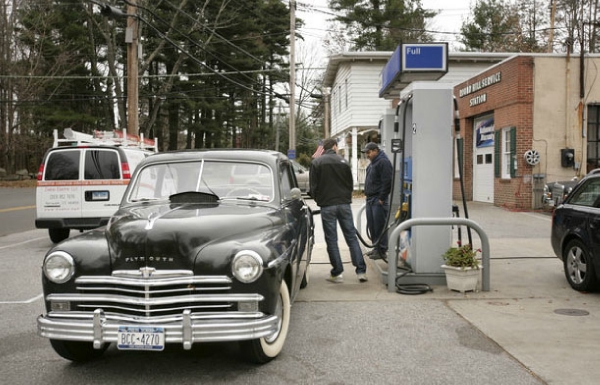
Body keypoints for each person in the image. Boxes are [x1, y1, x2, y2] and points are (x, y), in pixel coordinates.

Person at [310, 138, 368, 283]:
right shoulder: (343, 162)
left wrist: (320, 200)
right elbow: (350, 184)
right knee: (351, 237)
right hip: (344, 204)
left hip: (327, 205)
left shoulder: (316, 163)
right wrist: (346, 197)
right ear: (334, 147)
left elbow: (313, 187)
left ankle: (337, 273)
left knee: (332, 239)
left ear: (324, 148)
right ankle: (361, 271)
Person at [361, 142, 393, 260]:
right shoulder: (373, 163)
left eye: (369, 152)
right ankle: (376, 248)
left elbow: (387, 181)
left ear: (376, 150)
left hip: (378, 199)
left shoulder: (383, 162)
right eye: (366, 153)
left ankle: (382, 250)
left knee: (379, 225)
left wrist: (382, 198)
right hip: (370, 199)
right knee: (372, 225)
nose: (367, 155)